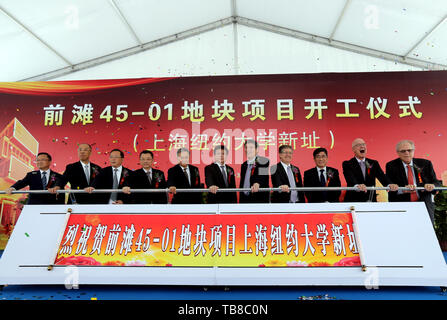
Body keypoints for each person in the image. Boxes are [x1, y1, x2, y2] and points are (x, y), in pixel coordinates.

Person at [386, 140, 440, 224]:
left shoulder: (425, 164)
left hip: (424, 203)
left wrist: (431, 185)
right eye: (403, 151)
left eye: (409, 150)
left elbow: (436, 182)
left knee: (426, 230)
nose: (406, 153)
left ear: (413, 151)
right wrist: (403, 189)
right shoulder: (391, 165)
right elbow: (389, 184)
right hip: (401, 204)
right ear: (398, 153)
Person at [342, 138, 398, 202]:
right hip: (353, 200)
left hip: (370, 199)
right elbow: (350, 178)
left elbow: (381, 176)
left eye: (363, 144)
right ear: (353, 150)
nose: (362, 146)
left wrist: (389, 184)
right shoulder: (347, 164)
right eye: (358, 145)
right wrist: (357, 185)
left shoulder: (373, 163)